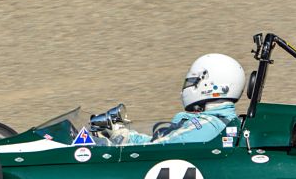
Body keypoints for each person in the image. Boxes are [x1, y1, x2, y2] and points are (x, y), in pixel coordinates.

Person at [97, 54, 245, 146]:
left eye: (191, 81)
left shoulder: (205, 125)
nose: (185, 89)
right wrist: (123, 135)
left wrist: (119, 139)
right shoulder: (216, 121)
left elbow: (154, 149)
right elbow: (162, 141)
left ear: (209, 84)